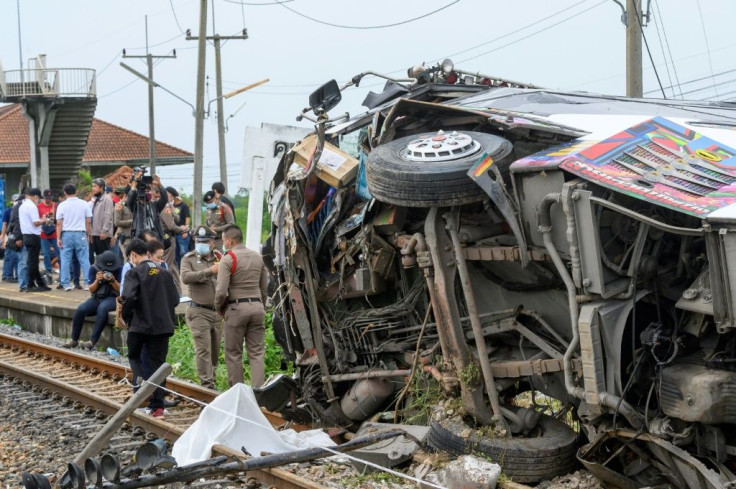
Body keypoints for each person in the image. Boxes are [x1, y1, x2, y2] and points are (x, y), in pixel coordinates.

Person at [120, 238, 179, 419]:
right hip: (162, 327)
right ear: (148, 253)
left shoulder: (134, 273)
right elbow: (175, 300)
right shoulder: (164, 273)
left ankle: (140, 389)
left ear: (133, 255)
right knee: (158, 365)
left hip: (139, 326)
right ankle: (157, 408)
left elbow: (128, 298)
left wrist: (127, 317)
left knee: (134, 356)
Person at [214, 225, 268, 387]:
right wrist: (261, 306)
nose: (223, 244)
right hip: (257, 307)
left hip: (236, 309)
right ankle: (259, 394)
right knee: (257, 353)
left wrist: (219, 308)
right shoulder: (258, 257)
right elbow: (264, 288)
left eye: (223, 241)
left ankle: (238, 393)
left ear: (229, 241)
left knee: (234, 354)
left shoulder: (228, 259)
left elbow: (221, 291)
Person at [181, 227, 223, 389]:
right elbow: (185, 277)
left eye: (205, 242)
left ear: (213, 243)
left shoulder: (220, 258)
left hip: (217, 312)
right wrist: (209, 271)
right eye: (199, 241)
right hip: (198, 310)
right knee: (203, 349)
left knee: (214, 350)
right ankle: (207, 384)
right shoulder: (188, 259)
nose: (202, 244)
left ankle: (212, 379)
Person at [63, 250, 122, 350]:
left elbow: (121, 290)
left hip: (112, 298)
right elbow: (91, 289)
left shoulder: (119, 269)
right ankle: (74, 340)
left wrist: (113, 280)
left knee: (102, 309)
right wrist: (97, 280)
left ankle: (92, 342)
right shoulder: (94, 269)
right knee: (80, 310)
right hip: (97, 298)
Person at [56, 184, 92, 291]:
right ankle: (87, 282)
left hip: (66, 234)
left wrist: (58, 238)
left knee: (65, 259)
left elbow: (59, 223)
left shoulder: (62, 205)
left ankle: (66, 283)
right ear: (76, 191)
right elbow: (88, 221)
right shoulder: (84, 203)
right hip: (80, 233)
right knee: (84, 259)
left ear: (65, 193)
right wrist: (88, 234)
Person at [19, 188, 51, 292]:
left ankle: (41, 283)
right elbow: (36, 223)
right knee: (33, 262)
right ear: (35, 196)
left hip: (26, 236)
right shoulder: (32, 206)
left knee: (33, 261)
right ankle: (30, 284)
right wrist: (44, 220)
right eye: (38, 198)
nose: (39, 200)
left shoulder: (22, 205)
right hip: (33, 236)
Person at [127, 170, 167, 243]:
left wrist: (160, 185)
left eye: (148, 191)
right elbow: (129, 201)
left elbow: (164, 199)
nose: (146, 193)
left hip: (155, 238)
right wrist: (134, 185)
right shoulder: (136, 206)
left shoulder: (155, 205)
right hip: (140, 239)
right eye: (144, 191)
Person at [37, 189, 59, 284]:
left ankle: (63, 274)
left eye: (50, 198)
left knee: (59, 253)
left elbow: (59, 219)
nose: (48, 200)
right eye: (47, 198)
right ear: (43, 197)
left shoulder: (55, 205)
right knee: (46, 254)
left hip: (54, 233)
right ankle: (48, 273)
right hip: (44, 233)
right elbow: (36, 220)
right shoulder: (39, 207)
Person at [90, 178, 115, 258]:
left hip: (102, 234)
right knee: (98, 257)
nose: (93, 188)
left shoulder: (107, 199)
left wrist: (104, 231)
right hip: (96, 233)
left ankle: (105, 271)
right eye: (93, 186)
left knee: (104, 257)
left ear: (101, 187)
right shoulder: (97, 199)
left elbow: (108, 216)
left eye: (95, 186)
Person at [9, 193, 29, 292]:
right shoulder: (18, 207)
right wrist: (18, 238)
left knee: (25, 262)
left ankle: (26, 283)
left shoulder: (22, 207)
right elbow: (16, 223)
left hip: (28, 237)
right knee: (23, 262)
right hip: (22, 237)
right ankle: (23, 285)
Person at [166, 187, 191, 267]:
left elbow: (187, 220)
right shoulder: (170, 206)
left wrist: (185, 231)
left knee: (183, 252)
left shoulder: (184, 206)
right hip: (173, 233)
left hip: (182, 233)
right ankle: (178, 270)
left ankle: (185, 268)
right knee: (175, 254)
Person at [1, 194, 20, 283]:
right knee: (9, 256)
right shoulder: (7, 211)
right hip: (10, 236)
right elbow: (4, 225)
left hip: (18, 236)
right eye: (14, 200)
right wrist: (3, 237)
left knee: (16, 257)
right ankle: (7, 275)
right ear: (12, 201)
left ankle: (17, 275)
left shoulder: (21, 210)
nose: (16, 202)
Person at [113, 187, 133, 260]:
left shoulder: (131, 206)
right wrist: (131, 221)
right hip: (125, 239)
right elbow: (117, 222)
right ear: (125, 196)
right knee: (127, 260)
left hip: (133, 238)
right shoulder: (119, 206)